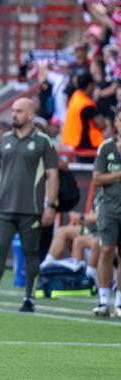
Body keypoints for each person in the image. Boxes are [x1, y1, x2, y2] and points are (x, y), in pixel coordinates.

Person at [0, 98, 59, 313]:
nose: (14, 115)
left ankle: (29, 298)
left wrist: (50, 205)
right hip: (3, 208)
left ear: (30, 114)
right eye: (12, 111)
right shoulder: (4, 140)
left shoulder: (43, 141)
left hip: (32, 209)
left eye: (19, 111)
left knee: (31, 252)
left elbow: (52, 174)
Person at [92, 113, 121, 317]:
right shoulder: (106, 147)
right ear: (117, 122)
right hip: (109, 208)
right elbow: (97, 178)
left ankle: (119, 303)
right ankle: (103, 301)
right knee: (106, 250)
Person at [62, 70, 104, 160]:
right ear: (89, 85)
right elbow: (101, 124)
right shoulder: (86, 104)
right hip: (86, 148)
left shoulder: (75, 97)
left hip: (73, 146)